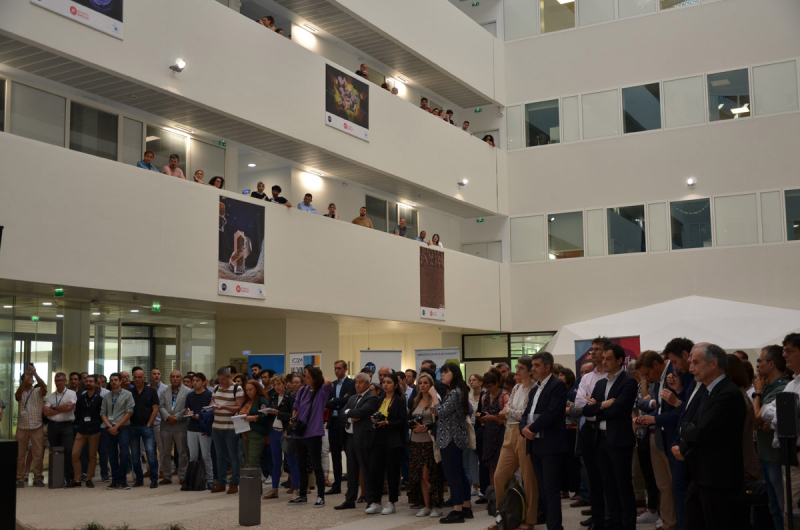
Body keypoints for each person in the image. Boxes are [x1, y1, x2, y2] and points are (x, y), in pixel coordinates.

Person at [673, 343, 745, 529]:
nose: (691, 368)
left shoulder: (727, 393)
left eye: (696, 363)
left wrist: (684, 430)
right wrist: (684, 443)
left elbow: (702, 431)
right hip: (701, 475)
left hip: (719, 479)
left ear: (713, 364)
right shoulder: (708, 391)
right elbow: (694, 425)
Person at [520, 352, 567, 530]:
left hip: (550, 444)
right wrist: (523, 429)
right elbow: (526, 414)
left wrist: (530, 429)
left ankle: (555, 527)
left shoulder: (557, 385)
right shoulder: (534, 389)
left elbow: (552, 413)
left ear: (547, 367)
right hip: (535, 444)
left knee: (551, 489)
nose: (533, 369)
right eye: (532, 365)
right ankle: (550, 523)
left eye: (537, 365)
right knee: (543, 490)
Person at [490, 357, 538, 530]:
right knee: (499, 476)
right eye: (517, 367)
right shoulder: (516, 387)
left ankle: (530, 520)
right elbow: (508, 411)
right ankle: (502, 517)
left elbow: (523, 414)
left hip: (524, 432)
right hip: (510, 433)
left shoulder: (534, 388)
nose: (516, 371)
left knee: (528, 478)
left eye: (521, 368)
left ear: (530, 371)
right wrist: (510, 412)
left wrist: (509, 411)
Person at [634, 351, 678, 530]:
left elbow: (676, 409)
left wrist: (654, 418)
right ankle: (668, 522)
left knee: (672, 484)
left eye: (646, 373)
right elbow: (656, 406)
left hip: (670, 437)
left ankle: (674, 522)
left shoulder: (671, 376)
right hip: (657, 435)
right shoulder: (658, 381)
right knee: (663, 485)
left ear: (656, 365)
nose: (645, 377)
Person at [573, 336, 612, 529]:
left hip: (608, 431)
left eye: (598, 349)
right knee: (592, 478)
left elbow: (614, 404)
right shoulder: (587, 377)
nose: (593, 352)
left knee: (609, 478)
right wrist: (597, 404)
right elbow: (579, 403)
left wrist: (594, 403)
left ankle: (609, 517)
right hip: (589, 430)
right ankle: (597, 518)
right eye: (592, 349)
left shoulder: (614, 377)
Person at [753, 345, 791, 530]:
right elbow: (759, 419)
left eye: (760, 361)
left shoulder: (783, 387)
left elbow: (755, 418)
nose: (757, 365)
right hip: (767, 455)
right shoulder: (771, 386)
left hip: (776, 458)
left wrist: (758, 393)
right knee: (773, 506)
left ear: (771, 364)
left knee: (782, 506)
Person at [430, 363, 473, 524]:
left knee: (453, 475)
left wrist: (434, 396)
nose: (442, 375)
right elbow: (447, 413)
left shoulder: (455, 392)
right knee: (459, 473)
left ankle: (457, 511)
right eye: (442, 373)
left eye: (446, 372)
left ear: (454, 374)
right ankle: (466, 507)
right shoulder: (457, 391)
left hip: (450, 438)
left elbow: (441, 411)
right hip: (454, 437)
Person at [288, 365, 334, 507]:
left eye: (307, 376)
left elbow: (328, 383)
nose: (304, 378)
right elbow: (295, 408)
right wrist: (293, 419)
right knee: (301, 465)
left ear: (314, 378)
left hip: (314, 432)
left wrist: (317, 374)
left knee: (316, 465)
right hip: (299, 433)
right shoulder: (302, 390)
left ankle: (321, 496)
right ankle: (302, 494)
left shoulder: (322, 391)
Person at [363, 372, 407, 515]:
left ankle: (392, 502)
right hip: (378, 439)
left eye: (389, 382)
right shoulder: (379, 399)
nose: (385, 384)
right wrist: (374, 420)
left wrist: (387, 422)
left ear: (395, 385)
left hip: (393, 440)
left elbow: (402, 421)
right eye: (384, 382)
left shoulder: (399, 400)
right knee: (375, 470)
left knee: (392, 472)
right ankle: (376, 501)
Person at [338, 372, 380, 510]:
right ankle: (350, 499)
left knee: (366, 470)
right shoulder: (352, 398)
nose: (358, 384)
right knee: (351, 470)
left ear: (368, 384)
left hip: (363, 438)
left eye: (361, 382)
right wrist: (350, 416)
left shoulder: (372, 397)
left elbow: (362, 412)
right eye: (356, 382)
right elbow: (341, 414)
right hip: (350, 437)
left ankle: (371, 500)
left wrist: (349, 413)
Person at [407, 372, 444, 518]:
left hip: (430, 442)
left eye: (425, 383)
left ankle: (437, 505)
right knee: (420, 476)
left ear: (431, 385)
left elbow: (440, 420)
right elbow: (409, 420)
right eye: (420, 383)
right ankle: (426, 505)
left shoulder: (436, 400)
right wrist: (413, 427)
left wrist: (427, 427)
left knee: (429, 475)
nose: (422, 385)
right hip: (416, 442)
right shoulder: (415, 400)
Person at [263, 375, 300, 499]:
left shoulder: (291, 397)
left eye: (279, 384)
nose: (277, 387)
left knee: (291, 461)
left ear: (285, 384)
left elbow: (293, 415)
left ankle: (297, 490)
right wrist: (266, 411)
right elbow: (271, 415)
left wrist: (278, 413)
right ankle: (274, 489)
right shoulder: (273, 396)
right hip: (274, 431)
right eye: (275, 385)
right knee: (276, 462)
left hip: (286, 432)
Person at [210, 366, 244, 494]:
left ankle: (234, 483)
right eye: (219, 379)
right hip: (217, 426)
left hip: (230, 427)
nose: (221, 381)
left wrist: (223, 406)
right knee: (219, 456)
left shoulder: (237, 389)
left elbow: (238, 407)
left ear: (229, 377)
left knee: (234, 456)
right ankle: (221, 482)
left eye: (223, 379)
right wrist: (212, 407)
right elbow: (212, 402)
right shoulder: (216, 388)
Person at [326, 360, 356, 495]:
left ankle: (352, 485)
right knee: (335, 455)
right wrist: (335, 402)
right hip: (333, 422)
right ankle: (336, 485)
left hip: (345, 421)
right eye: (335, 368)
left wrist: (334, 402)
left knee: (349, 454)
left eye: (339, 368)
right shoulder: (332, 385)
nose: (337, 371)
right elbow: (327, 403)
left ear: (345, 369)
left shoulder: (351, 384)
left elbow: (348, 400)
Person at [101, 372, 134, 490]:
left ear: (120, 381)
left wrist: (117, 426)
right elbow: (103, 413)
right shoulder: (106, 396)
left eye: (116, 380)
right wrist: (110, 426)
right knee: (112, 455)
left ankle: (123, 480)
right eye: (112, 380)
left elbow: (129, 412)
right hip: (109, 429)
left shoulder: (128, 394)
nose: (114, 382)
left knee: (124, 454)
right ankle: (115, 480)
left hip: (123, 428)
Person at [15, 365, 47, 488]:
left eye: (31, 378)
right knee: (20, 455)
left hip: (36, 427)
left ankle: (38, 478)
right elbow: (17, 396)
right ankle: (20, 478)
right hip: (22, 427)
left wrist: (36, 374)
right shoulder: (20, 392)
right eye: (28, 377)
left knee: (38, 454)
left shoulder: (38, 391)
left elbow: (44, 388)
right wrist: (25, 380)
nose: (30, 379)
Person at [44, 371, 78, 486]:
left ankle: (69, 478)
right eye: (56, 381)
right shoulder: (51, 396)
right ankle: (57, 478)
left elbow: (69, 407)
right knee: (54, 451)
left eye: (60, 381)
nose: (58, 383)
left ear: (65, 381)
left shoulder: (71, 393)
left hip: (66, 426)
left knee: (68, 451)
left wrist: (54, 407)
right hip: (53, 426)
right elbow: (45, 411)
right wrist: (61, 408)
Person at [69, 374, 102, 488]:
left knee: (92, 456)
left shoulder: (99, 399)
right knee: (75, 454)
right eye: (87, 381)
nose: (88, 383)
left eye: (91, 381)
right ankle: (77, 479)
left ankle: (89, 479)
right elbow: (77, 414)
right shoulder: (81, 398)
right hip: (82, 430)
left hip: (94, 430)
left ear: (96, 384)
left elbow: (102, 415)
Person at [129, 367, 160, 488]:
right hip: (133, 427)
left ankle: (154, 479)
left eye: (139, 377)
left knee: (151, 453)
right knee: (135, 455)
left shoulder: (151, 391)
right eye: (135, 377)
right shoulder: (130, 393)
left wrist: (149, 424)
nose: (137, 379)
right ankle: (139, 479)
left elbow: (155, 409)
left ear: (144, 378)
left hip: (146, 427)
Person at [158, 370, 190, 485]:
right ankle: (167, 476)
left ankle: (182, 476)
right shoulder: (164, 391)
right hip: (166, 425)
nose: (175, 379)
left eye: (177, 377)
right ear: (170, 378)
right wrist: (168, 417)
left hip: (180, 425)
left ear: (180, 378)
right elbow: (160, 406)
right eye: (173, 377)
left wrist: (176, 417)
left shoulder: (188, 391)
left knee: (182, 452)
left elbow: (187, 407)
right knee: (165, 452)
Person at [477, 369, 506, 490]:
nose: (488, 389)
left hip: (500, 433)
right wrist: (481, 417)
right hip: (488, 433)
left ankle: (502, 494)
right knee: (490, 466)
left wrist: (491, 417)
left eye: (490, 386)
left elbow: (506, 417)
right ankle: (493, 495)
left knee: (501, 466)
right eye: (485, 386)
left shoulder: (504, 396)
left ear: (497, 384)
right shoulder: (484, 396)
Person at [185, 372, 215, 490]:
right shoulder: (190, 395)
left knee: (206, 455)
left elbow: (211, 411)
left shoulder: (209, 394)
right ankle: (193, 479)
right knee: (193, 455)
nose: (195, 383)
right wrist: (188, 413)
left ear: (203, 382)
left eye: (198, 381)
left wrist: (200, 416)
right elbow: (186, 409)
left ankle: (210, 479)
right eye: (194, 381)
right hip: (192, 427)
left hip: (204, 427)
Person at [239, 380, 270, 467]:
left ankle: (255, 480)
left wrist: (254, 418)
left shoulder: (261, 400)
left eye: (250, 389)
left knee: (253, 460)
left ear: (257, 389)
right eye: (246, 390)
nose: (248, 392)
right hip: (245, 433)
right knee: (249, 460)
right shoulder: (246, 401)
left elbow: (268, 416)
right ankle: (252, 479)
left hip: (257, 433)